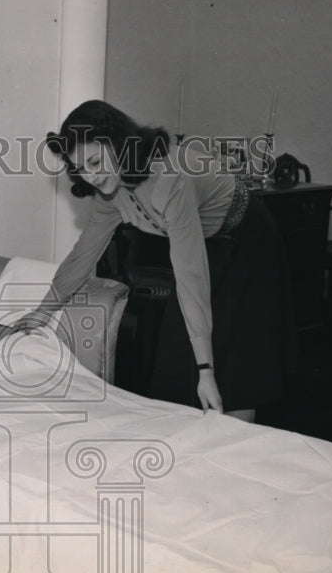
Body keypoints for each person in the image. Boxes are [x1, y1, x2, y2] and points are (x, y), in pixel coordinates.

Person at [21, 99, 296, 422]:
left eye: (96, 161)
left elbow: (190, 274)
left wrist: (206, 372)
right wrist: (42, 312)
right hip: (207, 240)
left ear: (119, 145)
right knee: (177, 357)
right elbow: (82, 256)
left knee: (237, 355)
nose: (91, 176)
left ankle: (237, 443)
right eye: (81, 168)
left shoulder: (169, 177)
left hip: (248, 237)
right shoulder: (109, 195)